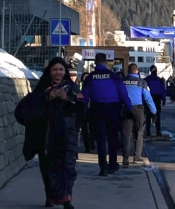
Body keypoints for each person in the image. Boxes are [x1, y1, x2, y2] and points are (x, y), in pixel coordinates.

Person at [15, 57, 84, 209]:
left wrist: (66, 99)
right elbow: (31, 106)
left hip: (67, 133)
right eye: (55, 70)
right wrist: (48, 97)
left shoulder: (71, 87)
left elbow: (81, 108)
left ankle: (66, 198)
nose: (58, 73)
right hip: (46, 132)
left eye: (61, 70)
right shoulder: (43, 88)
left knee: (68, 164)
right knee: (48, 165)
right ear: (50, 71)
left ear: (65, 71)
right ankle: (50, 195)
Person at [82, 53, 131, 176]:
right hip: (113, 109)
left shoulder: (90, 77)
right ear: (105, 62)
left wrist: (83, 110)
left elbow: (85, 97)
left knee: (100, 139)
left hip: (96, 109)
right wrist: (128, 107)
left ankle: (103, 167)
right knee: (112, 138)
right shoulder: (114, 76)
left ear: (95, 62)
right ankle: (113, 165)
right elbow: (123, 93)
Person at [121, 64, 156, 165]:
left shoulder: (122, 81)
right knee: (139, 133)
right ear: (137, 71)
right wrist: (154, 111)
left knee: (126, 134)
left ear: (128, 71)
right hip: (138, 109)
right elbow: (148, 98)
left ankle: (125, 158)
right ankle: (137, 156)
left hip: (125, 108)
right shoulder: (142, 82)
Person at [145, 65, 166, 138]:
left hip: (149, 98)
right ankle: (158, 131)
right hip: (157, 98)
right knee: (157, 115)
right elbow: (163, 90)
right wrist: (163, 99)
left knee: (148, 116)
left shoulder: (147, 79)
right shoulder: (159, 80)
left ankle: (148, 132)